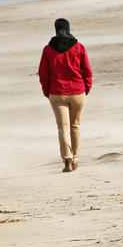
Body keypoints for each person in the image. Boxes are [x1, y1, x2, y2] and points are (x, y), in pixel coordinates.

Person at [37, 18, 92, 173]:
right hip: (77, 92)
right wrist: (85, 89)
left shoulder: (48, 49)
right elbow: (87, 71)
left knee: (63, 128)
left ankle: (67, 159)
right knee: (75, 126)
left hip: (57, 93)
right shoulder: (79, 47)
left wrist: (47, 92)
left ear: (56, 29)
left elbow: (43, 74)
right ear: (68, 29)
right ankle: (75, 158)